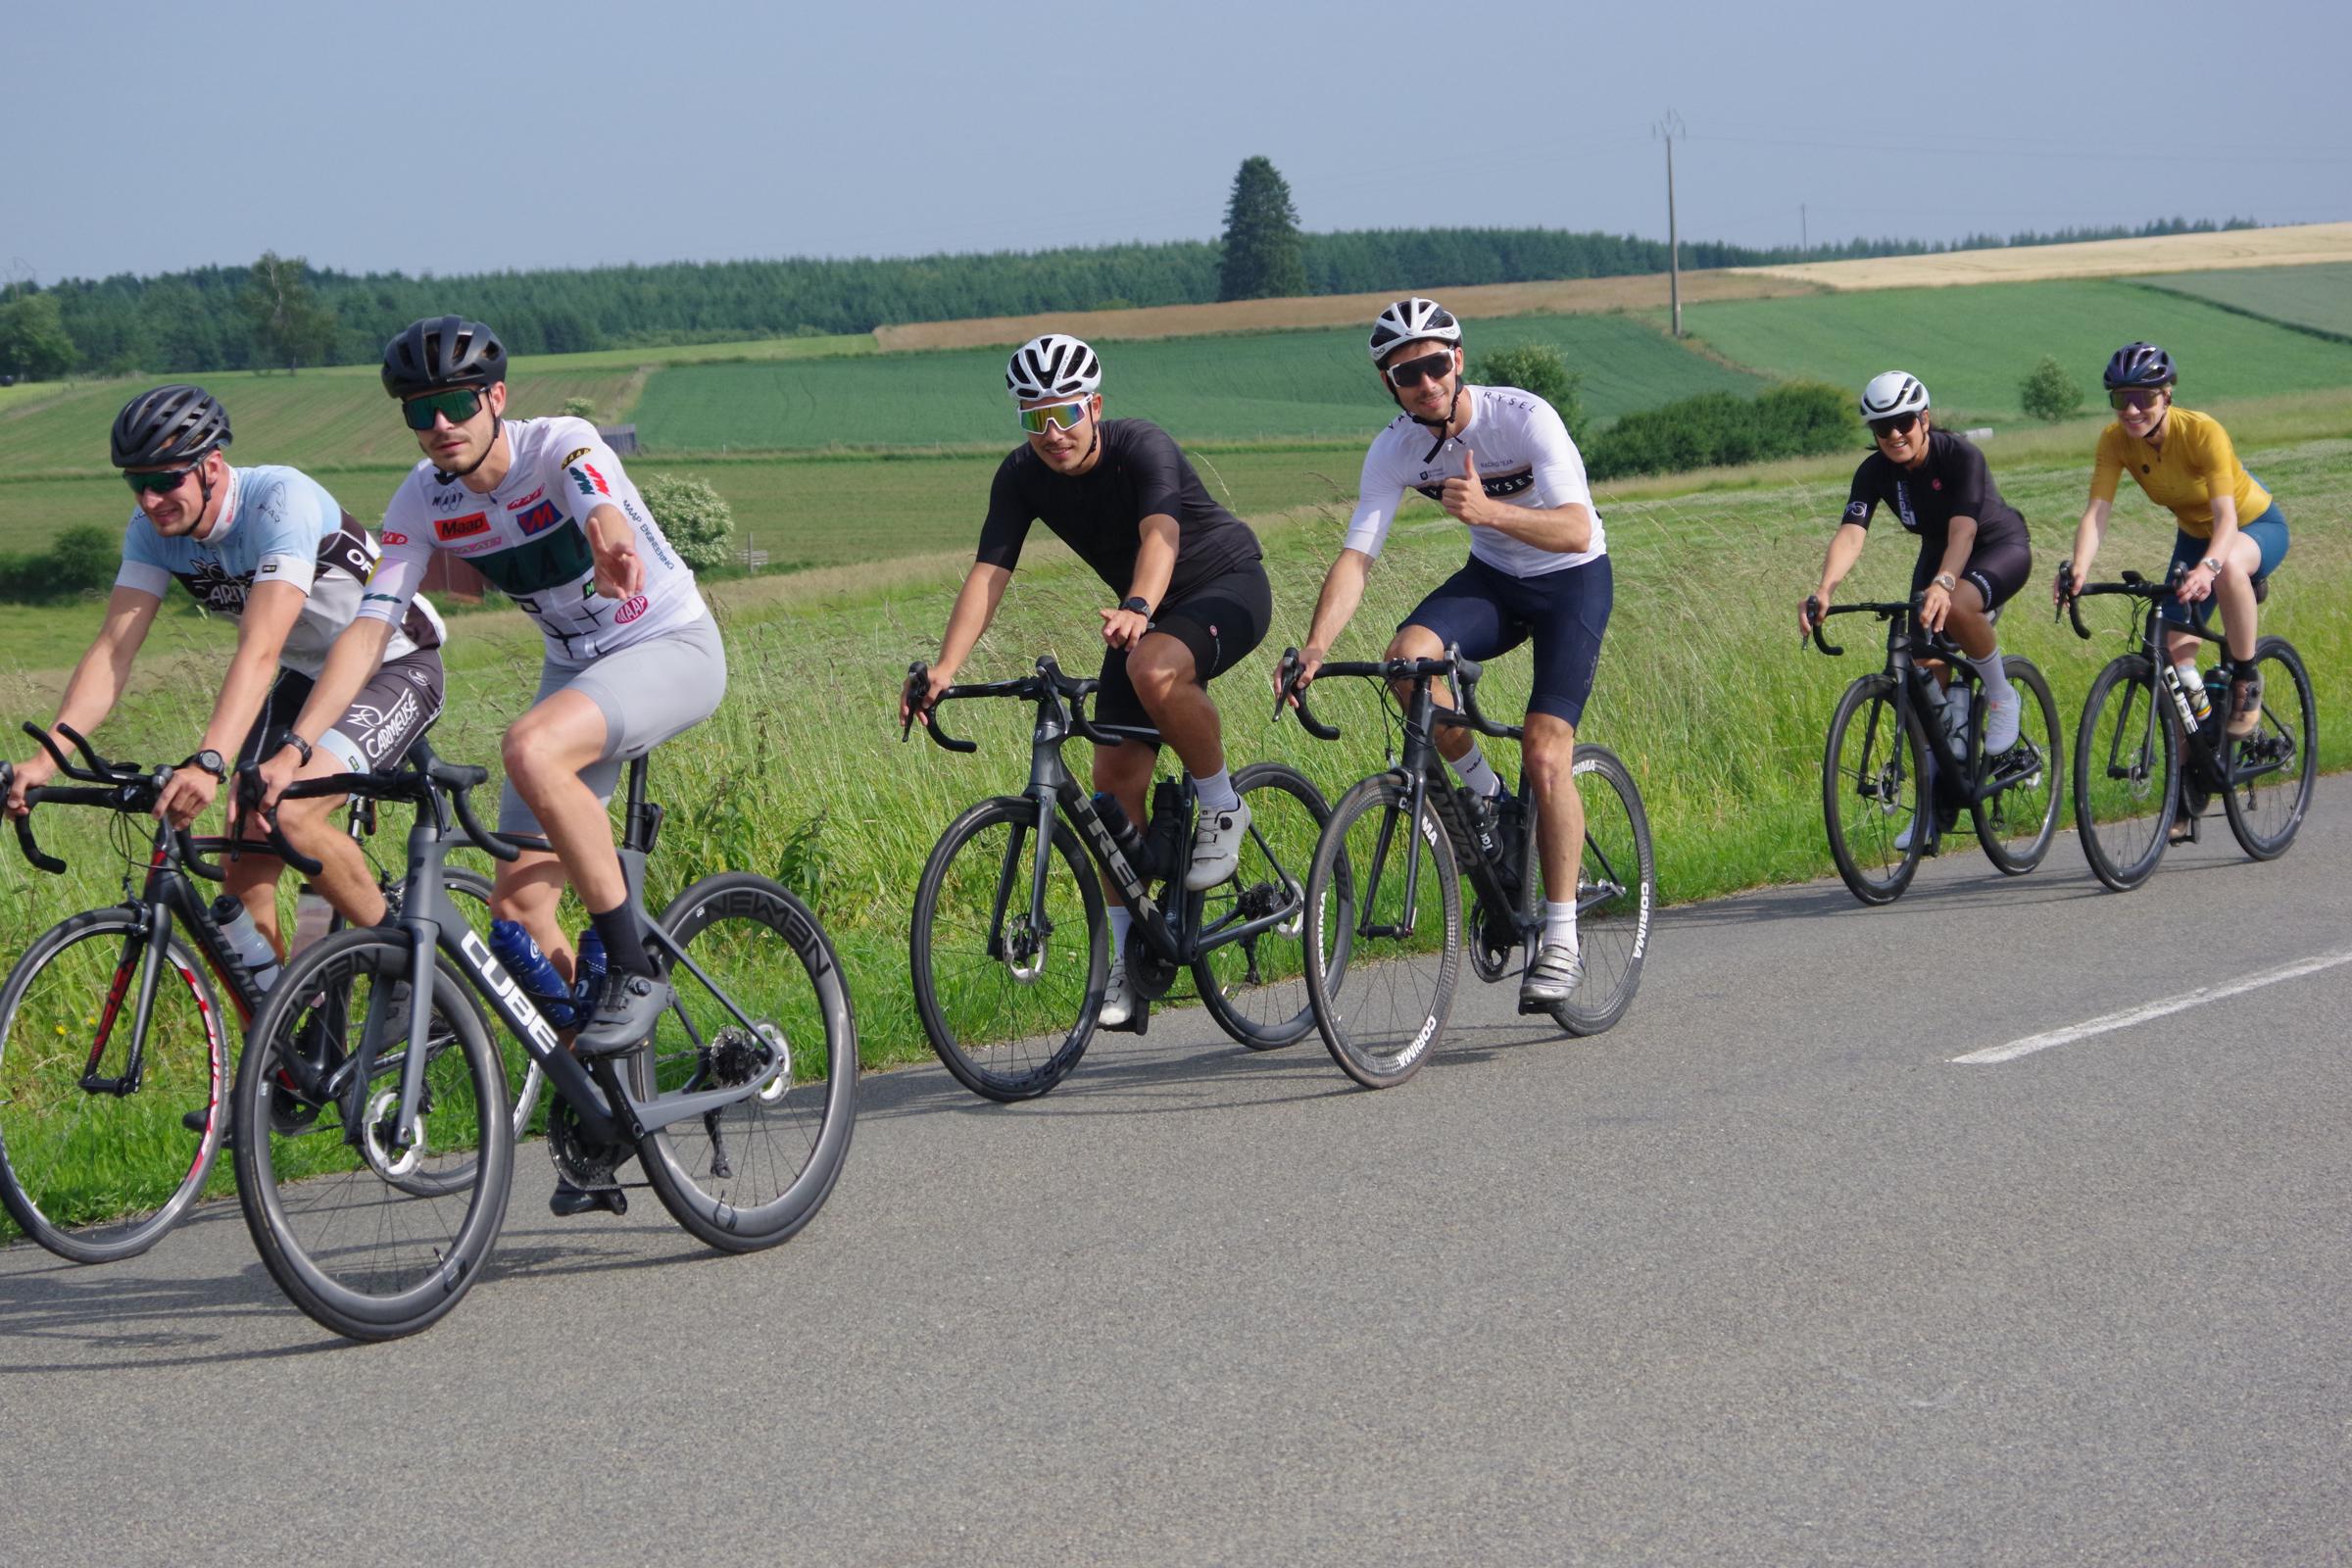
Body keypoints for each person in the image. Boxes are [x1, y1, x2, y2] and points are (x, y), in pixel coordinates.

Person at [258, 317, 724, 1213]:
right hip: (577, 669)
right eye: (419, 411)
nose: (440, 424)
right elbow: (371, 627)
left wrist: (612, 541)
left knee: (528, 745)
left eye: (457, 404)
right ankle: (605, 1108)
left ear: (496, 398)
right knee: (519, 911)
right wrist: (300, 748)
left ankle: (634, 968)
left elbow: (598, 498)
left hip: (668, 645)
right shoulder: (422, 501)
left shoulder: (561, 445)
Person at [901, 333, 1272, 1028]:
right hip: (1141, 617)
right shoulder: (1021, 475)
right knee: (1110, 792)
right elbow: (989, 574)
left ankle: (1223, 804)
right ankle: (1129, 965)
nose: (1052, 433)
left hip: (1224, 586)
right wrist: (946, 669)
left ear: (1094, 407)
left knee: (1152, 667)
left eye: (1065, 413)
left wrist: (1140, 605)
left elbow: (1160, 535)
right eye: (1034, 417)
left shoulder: (1141, 445)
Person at [6, 384, 448, 952]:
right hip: (309, 676)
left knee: (291, 813)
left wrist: (210, 761)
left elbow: (260, 648)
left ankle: (410, 971)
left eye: (167, 480)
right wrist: (48, 758)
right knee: (243, 860)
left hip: (396, 662)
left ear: (211, 466)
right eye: (137, 483)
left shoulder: (279, 502)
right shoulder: (151, 532)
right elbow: (113, 650)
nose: (150, 499)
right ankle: (280, 1007)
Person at [1283, 297, 1609, 1010]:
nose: (1425, 383)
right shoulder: (1394, 449)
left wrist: (1488, 511)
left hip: (1570, 582)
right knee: (1407, 663)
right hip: (1494, 581)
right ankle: (1489, 799)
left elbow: (1577, 530)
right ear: (1390, 384)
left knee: (1546, 751)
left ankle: (1560, 938)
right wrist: (1315, 646)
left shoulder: (1522, 417)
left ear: (1458, 360)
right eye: (1407, 374)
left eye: (1435, 365)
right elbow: (1357, 557)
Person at [1800, 371, 2037, 844]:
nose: (1893, 434)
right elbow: (1851, 534)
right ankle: (1936, 803)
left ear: (1924, 419)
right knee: (1923, 674)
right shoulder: (1874, 471)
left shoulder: (1961, 455)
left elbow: (1964, 532)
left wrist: (1945, 584)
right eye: (1881, 427)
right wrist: (1824, 589)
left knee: (1957, 606)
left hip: (1996, 546)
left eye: (1903, 422)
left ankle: (2000, 696)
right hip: (1938, 551)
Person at [2057, 341, 2288, 741]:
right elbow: (2097, 513)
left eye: (2144, 398)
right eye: (2121, 399)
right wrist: (2079, 567)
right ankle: (2193, 762)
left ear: (2166, 396)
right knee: (2172, 664)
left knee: (2229, 567)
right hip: (2195, 538)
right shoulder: (2114, 440)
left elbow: (2227, 519)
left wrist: (2209, 568)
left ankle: (2246, 678)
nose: (2131, 410)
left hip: (2252, 526)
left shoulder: (2201, 431)